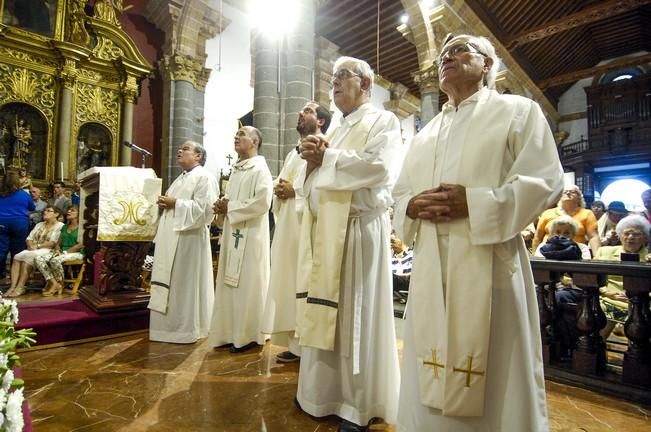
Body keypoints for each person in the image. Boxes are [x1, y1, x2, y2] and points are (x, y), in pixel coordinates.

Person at [392, 34, 563, 431]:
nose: (446, 58)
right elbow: (401, 193)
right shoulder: (425, 132)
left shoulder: (518, 112)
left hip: (489, 259)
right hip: (432, 263)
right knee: (431, 361)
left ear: (487, 64)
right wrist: (412, 207)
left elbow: (544, 180)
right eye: (443, 55)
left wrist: (477, 202)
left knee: (496, 365)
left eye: (459, 51)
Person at [294, 56, 402, 431]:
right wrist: (311, 168)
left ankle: (357, 403)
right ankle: (321, 392)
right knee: (329, 314)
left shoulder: (382, 121)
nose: (335, 83)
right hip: (329, 231)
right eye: (333, 77)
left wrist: (328, 158)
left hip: (359, 229)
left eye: (344, 76)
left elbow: (380, 169)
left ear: (366, 84)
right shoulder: (335, 130)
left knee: (357, 313)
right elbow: (314, 188)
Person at [261, 102, 331, 364]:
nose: (300, 114)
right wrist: (278, 191)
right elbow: (282, 183)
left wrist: (295, 191)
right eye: (301, 110)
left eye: (308, 111)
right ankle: (295, 342)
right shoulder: (294, 153)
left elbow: (324, 185)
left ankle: (308, 343)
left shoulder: (324, 147)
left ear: (321, 121)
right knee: (289, 283)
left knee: (306, 281)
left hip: (308, 226)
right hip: (288, 225)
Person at [209, 126, 273, 353]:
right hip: (233, 233)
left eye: (242, 134)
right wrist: (221, 208)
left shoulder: (260, 169)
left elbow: (263, 203)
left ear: (254, 141)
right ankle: (228, 332)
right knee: (228, 282)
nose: (236, 136)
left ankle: (247, 335)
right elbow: (230, 199)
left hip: (251, 236)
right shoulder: (237, 169)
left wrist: (231, 207)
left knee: (248, 283)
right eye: (236, 134)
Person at [148, 141, 219, 343]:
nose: (180, 150)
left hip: (189, 240)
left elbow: (206, 212)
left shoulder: (205, 177)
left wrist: (175, 203)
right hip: (170, 238)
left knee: (184, 285)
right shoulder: (180, 178)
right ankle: (166, 328)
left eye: (186, 149)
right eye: (181, 148)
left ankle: (186, 329)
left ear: (198, 156)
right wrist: (164, 203)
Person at [596, 215, 651, 336]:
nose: (630, 237)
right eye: (626, 233)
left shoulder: (649, 257)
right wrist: (606, 292)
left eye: (636, 234)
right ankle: (598, 350)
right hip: (609, 299)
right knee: (598, 323)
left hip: (642, 303)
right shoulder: (605, 252)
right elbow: (594, 278)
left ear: (645, 237)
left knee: (639, 329)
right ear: (620, 235)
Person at [5, 206, 63, 297]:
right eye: (45, 210)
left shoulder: (60, 226)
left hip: (48, 250)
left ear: (56, 214)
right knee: (17, 256)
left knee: (28, 257)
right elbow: (29, 238)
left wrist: (38, 246)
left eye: (49, 211)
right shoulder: (39, 224)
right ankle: (12, 287)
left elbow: (53, 243)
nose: (45, 212)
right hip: (34, 248)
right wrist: (30, 245)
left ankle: (20, 287)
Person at [532, 185, 601, 256]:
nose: (568, 193)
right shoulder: (548, 213)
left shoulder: (587, 214)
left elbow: (593, 237)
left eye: (573, 192)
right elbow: (538, 237)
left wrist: (597, 257)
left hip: (575, 255)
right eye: (565, 192)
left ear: (579, 197)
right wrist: (534, 255)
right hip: (548, 253)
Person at [34, 205, 84, 296]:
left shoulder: (82, 228)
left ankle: (60, 283)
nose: (69, 211)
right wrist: (57, 250)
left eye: (72, 210)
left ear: (79, 214)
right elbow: (58, 243)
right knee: (38, 259)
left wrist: (64, 253)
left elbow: (80, 245)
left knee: (55, 260)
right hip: (62, 252)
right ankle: (53, 282)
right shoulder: (65, 227)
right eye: (68, 210)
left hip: (77, 252)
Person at [0, 171, 35, 283]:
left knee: (1, 250)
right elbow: (32, 207)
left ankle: (1, 275)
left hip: (1, 223)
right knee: (18, 251)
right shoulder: (24, 194)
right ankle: (15, 277)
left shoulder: (1, 193)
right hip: (19, 223)